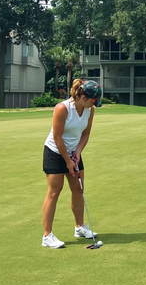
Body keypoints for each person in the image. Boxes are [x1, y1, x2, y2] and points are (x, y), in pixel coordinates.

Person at [41, 79, 102, 248]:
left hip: (73, 152)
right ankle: (47, 236)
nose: (93, 104)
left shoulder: (90, 110)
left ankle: (79, 227)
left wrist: (77, 153)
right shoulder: (63, 108)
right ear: (83, 97)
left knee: (78, 188)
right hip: (55, 151)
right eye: (92, 101)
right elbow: (57, 137)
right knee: (55, 191)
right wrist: (67, 161)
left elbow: (85, 135)